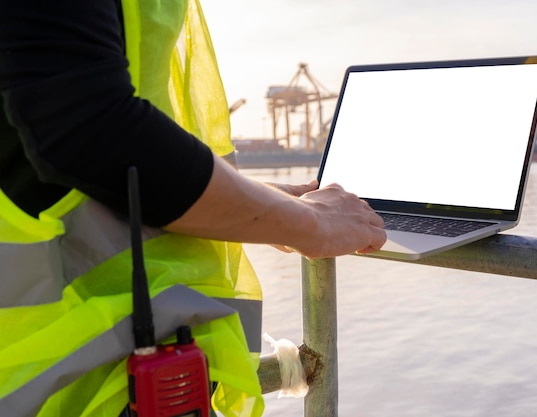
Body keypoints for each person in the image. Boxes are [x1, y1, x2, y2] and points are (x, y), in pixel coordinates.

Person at [0, 0, 386, 416]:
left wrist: (258, 199)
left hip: (104, 364)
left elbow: (40, 158)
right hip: (78, 380)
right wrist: (310, 225)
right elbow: (88, 126)